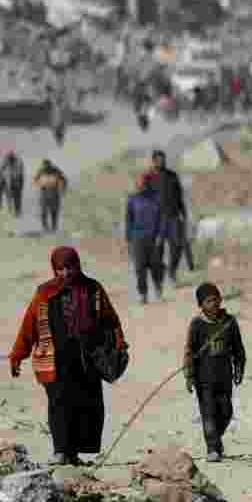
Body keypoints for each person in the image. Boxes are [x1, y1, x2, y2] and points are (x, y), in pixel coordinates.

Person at [9, 247, 128, 465]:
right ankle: (61, 450)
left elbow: (111, 319)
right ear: (54, 269)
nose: (66, 273)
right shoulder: (44, 293)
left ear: (78, 265)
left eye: (70, 267)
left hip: (87, 358)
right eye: (60, 269)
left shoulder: (93, 289)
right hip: (55, 359)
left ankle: (74, 453)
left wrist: (119, 343)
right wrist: (17, 355)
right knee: (59, 402)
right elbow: (29, 326)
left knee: (86, 404)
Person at [184, 283, 246, 463]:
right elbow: (189, 351)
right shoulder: (196, 325)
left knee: (226, 412)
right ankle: (213, 447)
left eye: (216, 299)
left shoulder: (230, 322)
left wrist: (239, 367)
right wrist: (189, 375)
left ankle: (215, 438)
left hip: (225, 377)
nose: (214, 303)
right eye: (209, 301)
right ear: (200, 305)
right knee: (208, 413)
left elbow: (238, 349)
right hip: (204, 380)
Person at [150, 150, 189, 287]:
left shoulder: (172, 176)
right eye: (159, 160)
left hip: (173, 217)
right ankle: (160, 274)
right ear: (153, 161)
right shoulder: (149, 178)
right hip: (157, 220)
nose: (162, 162)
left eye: (163, 159)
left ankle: (172, 271)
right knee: (157, 248)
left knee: (177, 245)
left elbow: (179, 196)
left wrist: (183, 213)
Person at [126, 173, 164, 304]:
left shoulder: (156, 198)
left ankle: (158, 287)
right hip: (137, 239)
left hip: (153, 238)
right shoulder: (132, 200)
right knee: (140, 268)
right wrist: (128, 240)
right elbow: (129, 221)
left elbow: (161, 219)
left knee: (155, 266)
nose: (141, 186)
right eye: (139, 183)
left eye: (144, 183)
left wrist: (160, 235)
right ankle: (143, 294)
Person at [34, 159, 67, 233]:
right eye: (44, 165)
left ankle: (54, 227)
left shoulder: (55, 170)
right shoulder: (41, 171)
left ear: (49, 165)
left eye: (47, 165)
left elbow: (64, 179)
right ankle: (45, 227)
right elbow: (35, 180)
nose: (46, 167)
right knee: (43, 211)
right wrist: (39, 185)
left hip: (54, 192)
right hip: (44, 192)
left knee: (54, 211)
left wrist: (63, 188)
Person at [1, 150, 25, 217]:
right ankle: (11, 207)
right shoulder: (6, 160)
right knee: (9, 194)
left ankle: (17, 210)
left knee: (17, 195)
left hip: (17, 179)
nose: (10, 161)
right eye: (9, 159)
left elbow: (20, 172)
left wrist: (18, 182)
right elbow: (2, 168)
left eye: (11, 159)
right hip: (10, 179)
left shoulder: (18, 161)